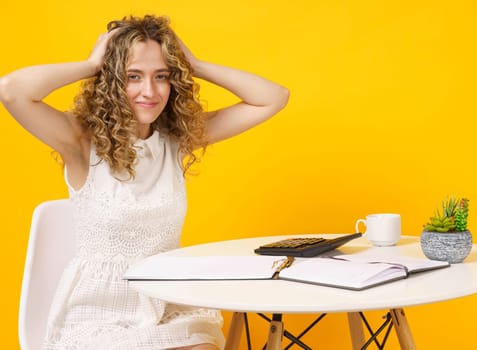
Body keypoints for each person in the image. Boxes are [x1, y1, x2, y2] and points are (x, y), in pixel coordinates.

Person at [0, 15, 288, 350]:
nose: (149, 91)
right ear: (110, 80)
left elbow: (273, 97)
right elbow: (11, 90)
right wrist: (92, 63)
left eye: (161, 76)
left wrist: (194, 64)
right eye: (133, 76)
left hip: (167, 303)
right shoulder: (80, 141)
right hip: (98, 314)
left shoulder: (176, 140)